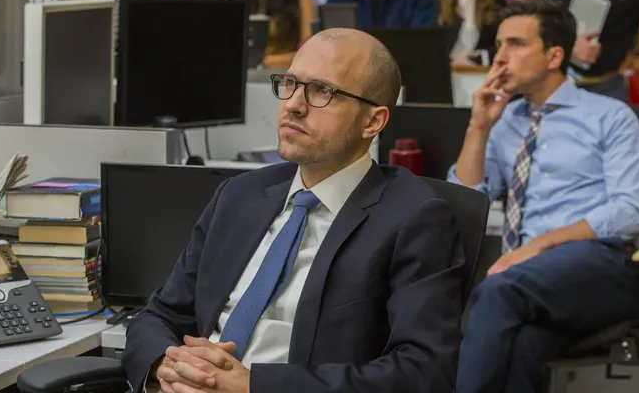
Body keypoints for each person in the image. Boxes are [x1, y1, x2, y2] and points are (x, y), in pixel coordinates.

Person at [122, 28, 466, 392]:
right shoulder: (239, 195)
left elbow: (422, 373)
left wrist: (253, 387)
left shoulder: (416, 218)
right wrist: (165, 366)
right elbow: (159, 315)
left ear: (373, 122)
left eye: (322, 91)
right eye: (290, 83)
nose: (293, 104)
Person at [450, 0, 639, 393]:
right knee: (522, 349)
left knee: (500, 292)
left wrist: (540, 245)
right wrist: (478, 127)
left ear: (553, 56)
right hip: (532, 278)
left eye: (515, 44)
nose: (500, 57)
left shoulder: (609, 116)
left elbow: (632, 212)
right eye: (499, 44)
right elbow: (468, 201)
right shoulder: (505, 119)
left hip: (604, 265)